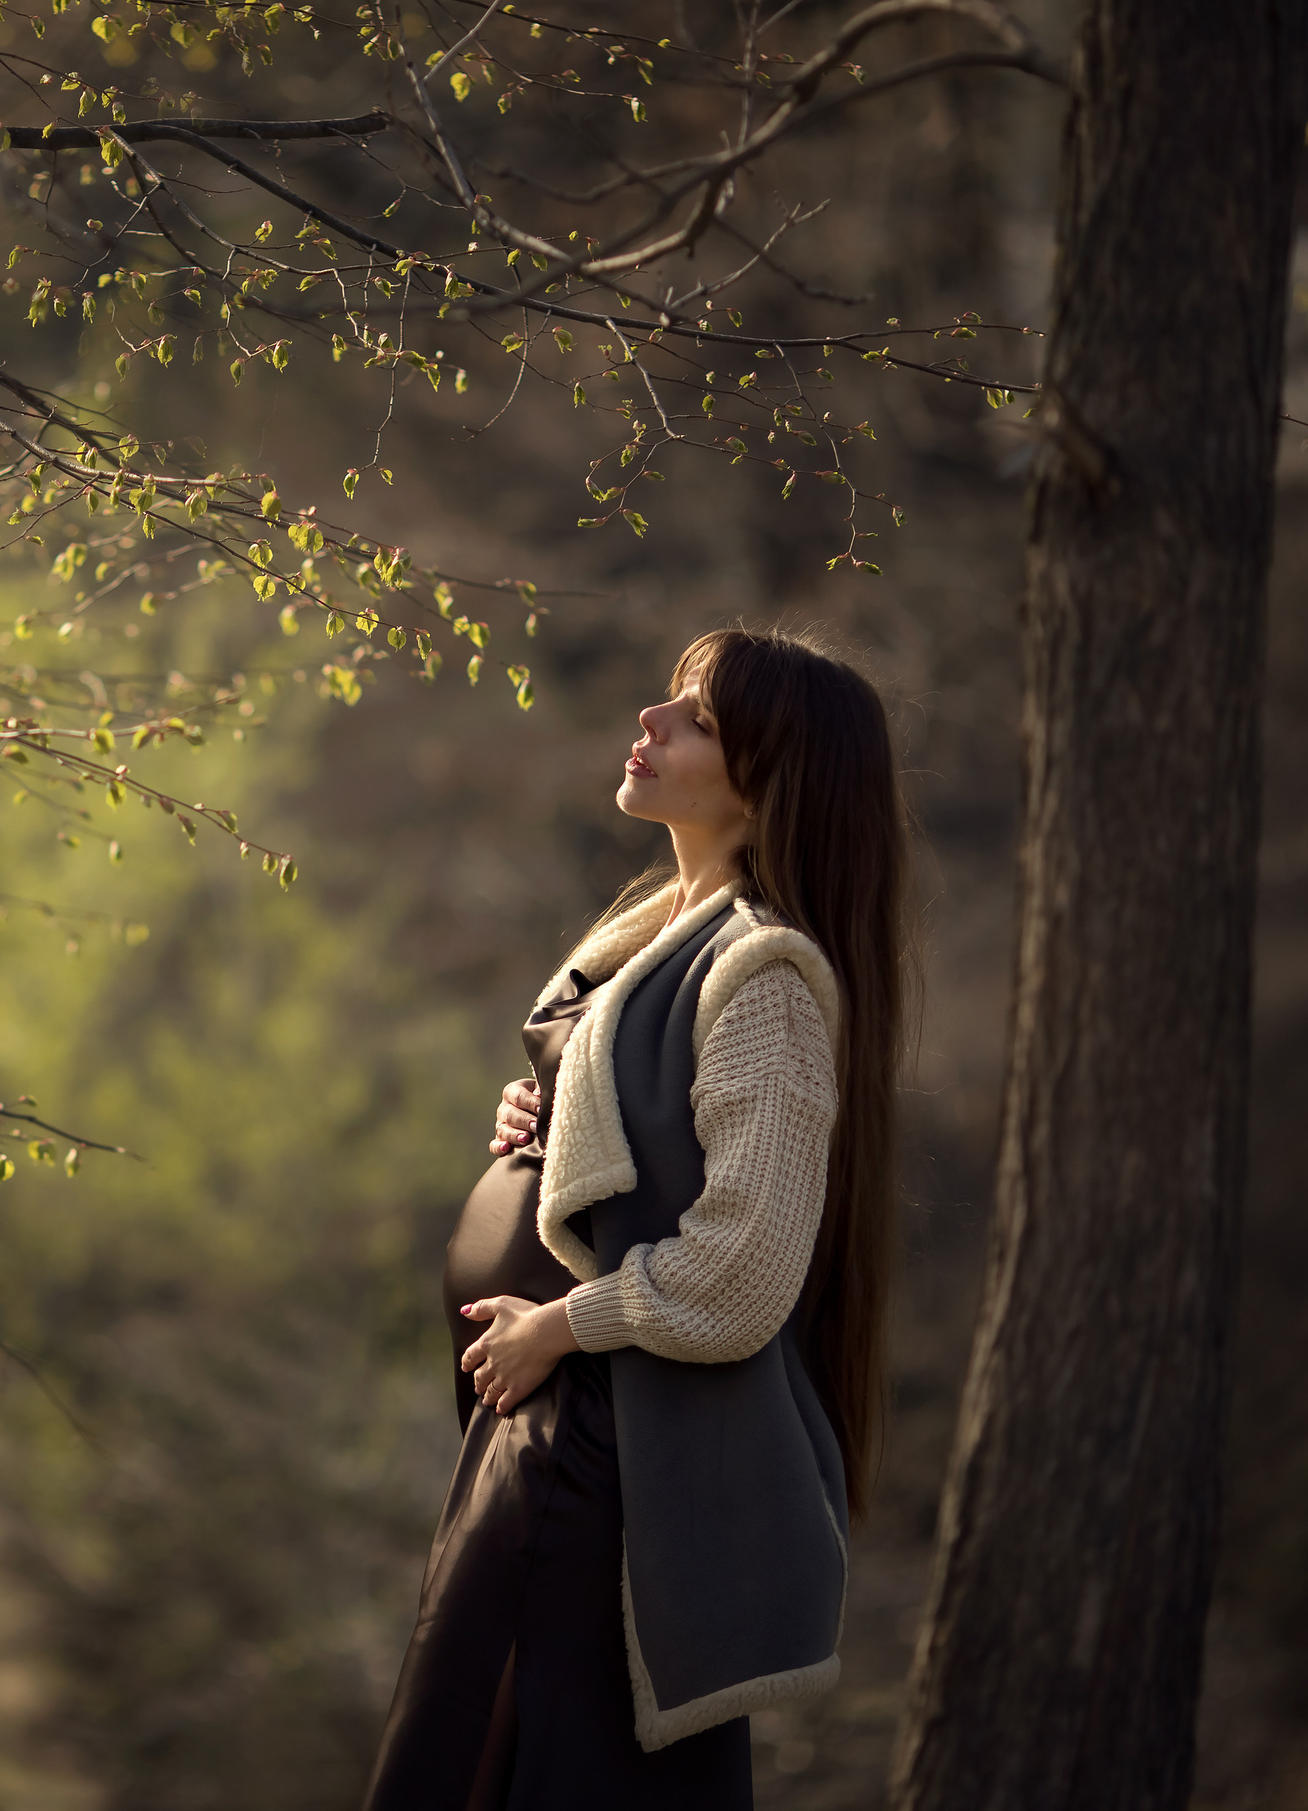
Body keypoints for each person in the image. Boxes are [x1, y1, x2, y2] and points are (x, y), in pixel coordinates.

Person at [362, 627, 908, 1811]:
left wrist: (557, 1326)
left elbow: (742, 1270)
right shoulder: (660, 931)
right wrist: (551, 1122)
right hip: (552, 1428)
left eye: (697, 717)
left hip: (611, 1449)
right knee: (479, 1753)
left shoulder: (764, 974)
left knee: (512, 1769)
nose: (652, 722)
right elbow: (639, 1138)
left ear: (770, 776)